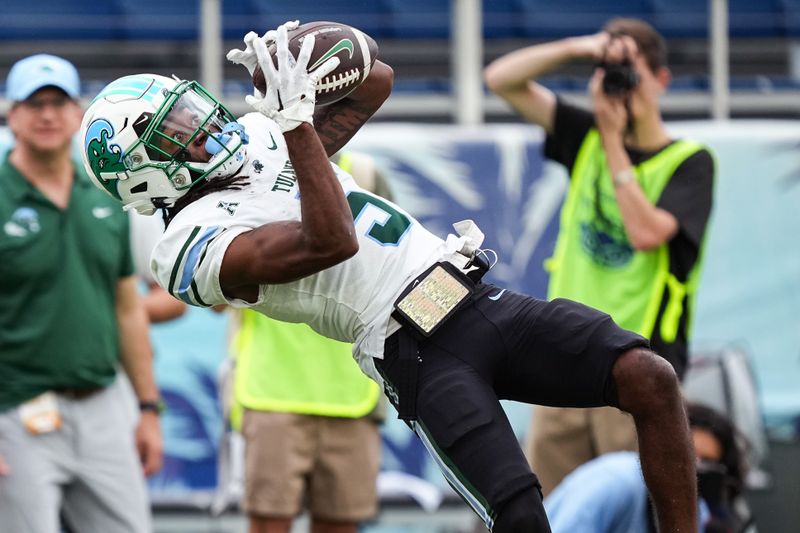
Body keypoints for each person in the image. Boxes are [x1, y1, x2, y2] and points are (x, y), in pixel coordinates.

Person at [78, 23, 698, 532]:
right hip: (416, 350)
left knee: (649, 377)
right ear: (143, 174)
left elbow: (376, 79)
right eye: (178, 130)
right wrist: (296, 123)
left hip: (472, 298)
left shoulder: (266, 132)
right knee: (521, 517)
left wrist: (303, 55)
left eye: (190, 108)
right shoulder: (189, 244)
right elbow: (329, 240)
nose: (204, 123)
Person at [484, 18, 715, 494]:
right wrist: (581, 45)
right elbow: (500, 80)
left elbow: (646, 232)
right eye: (609, 71)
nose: (618, 83)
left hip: (638, 361)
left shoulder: (690, 161)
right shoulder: (584, 133)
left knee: (633, 505)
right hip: (562, 354)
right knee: (550, 504)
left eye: (629, 71)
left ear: (662, 80)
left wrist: (612, 140)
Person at [0, 54, 163, 533]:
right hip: (14, 409)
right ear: (12, 114)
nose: (47, 115)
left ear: (78, 114)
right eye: (34, 104)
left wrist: (148, 408)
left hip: (103, 404)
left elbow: (127, 307)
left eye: (58, 103)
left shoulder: (108, 195)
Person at [229, 152, 391, 533]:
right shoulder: (244, 175)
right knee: (269, 522)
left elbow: (390, 266)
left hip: (353, 393)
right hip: (271, 393)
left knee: (339, 523)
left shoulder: (366, 173)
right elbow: (219, 297)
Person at [544, 403, 754, 533]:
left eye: (707, 462)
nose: (694, 469)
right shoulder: (614, 482)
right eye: (689, 456)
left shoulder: (700, 512)